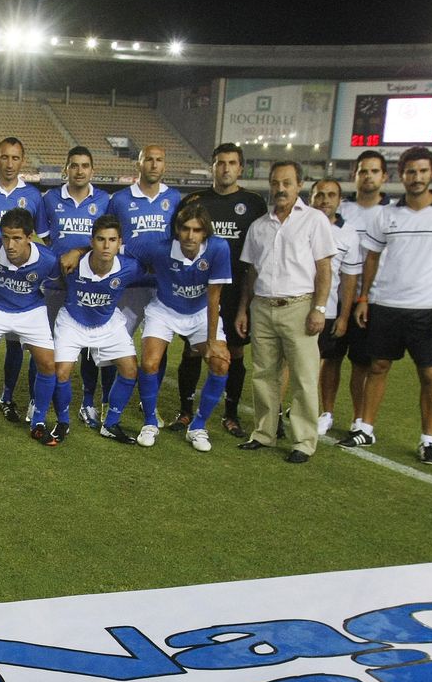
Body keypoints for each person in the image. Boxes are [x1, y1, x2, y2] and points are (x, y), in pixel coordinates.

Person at [342, 146, 432, 465]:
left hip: (429, 309)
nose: (416, 178)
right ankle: (366, 428)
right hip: (385, 305)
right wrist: (364, 298)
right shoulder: (387, 214)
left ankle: (428, 440)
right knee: (377, 367)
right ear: (401, 176)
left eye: (422, 171)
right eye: (410, 172)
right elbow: (371, 256)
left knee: (429, 374)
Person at [235, 161, 337, 463]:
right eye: (276, 183)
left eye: (287, 183)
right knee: (264, 375)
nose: (281, 189)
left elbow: (324, 268)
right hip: (263, 306)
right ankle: (265, 433)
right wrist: (244, 308)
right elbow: (251, 272)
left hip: (299, 306)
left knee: (304, 378)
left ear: (299, 185)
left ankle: (303, 441)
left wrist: (319, 308)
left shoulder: (315, 220)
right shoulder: (259, 225)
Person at [173, 143, 267, 437]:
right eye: (220, 163)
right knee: (191, 349)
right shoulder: (195, 200)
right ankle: (186, 410)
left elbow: (258, 251)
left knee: (235, 351)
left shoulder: (253, 203)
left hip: (237, 290)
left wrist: (246, 302)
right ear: (212, 167)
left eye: (232, 163)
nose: (226, 168)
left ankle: (231, 413)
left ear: (240, 168)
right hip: (198, 289)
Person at [131, 203, 233, 451]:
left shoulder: (219, 248)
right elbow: (125, 248)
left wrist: (211, 342)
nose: (190, 235)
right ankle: (150, 422)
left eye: (196, 230)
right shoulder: (160, 248)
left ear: (205, 232)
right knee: (149, 363)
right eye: (185, 229)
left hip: (200, 313)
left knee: (221, 362)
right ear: (177, 230)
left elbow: (214, 297)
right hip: (164, 310)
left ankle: (198, 426)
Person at [0, 208, 63, 445]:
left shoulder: (48, 260)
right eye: (6, 237)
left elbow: (57, 282)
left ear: (30, 237)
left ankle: (38, 421)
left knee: (49, 364)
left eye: (17, 238)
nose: (10, 244)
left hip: (31, 310)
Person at [0, 137, 45, 421]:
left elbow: (40, 239)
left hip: (18, 279)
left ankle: (8, 395)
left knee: (15, 341)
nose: (9, 163)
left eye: (15, 158)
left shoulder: (35, 196)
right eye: (4, 157)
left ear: (22, 161)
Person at [52, 215, 144, 445]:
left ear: (119, 242)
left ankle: (111, 424)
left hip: (107, 322)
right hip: (72, 320)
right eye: (101, 239)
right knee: (61, 372)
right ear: (92, 241)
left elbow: (157, 267)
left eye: (112, 240)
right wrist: (76, 251)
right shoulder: (70, 264)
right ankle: (62, 422)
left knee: (130, 369)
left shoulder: (130, 267)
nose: (106, 245)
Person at [39, 145, 113, 428]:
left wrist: (79, 252)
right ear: (65, 169)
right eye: (74, 165)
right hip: (57, 286)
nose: (79, 171)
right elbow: (47, 240)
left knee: (94, 348)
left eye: (84, 166)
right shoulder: (50, 199)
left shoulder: (105, 200)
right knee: (48, 346)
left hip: (95, 288)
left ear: (92, 170)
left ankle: (89, 402)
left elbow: (110, 241)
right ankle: (40, 400)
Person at [110, 145, 178, 422]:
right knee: (116, 344)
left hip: (162, 288)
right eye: (148, 159)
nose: (153, 164)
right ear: (138, 164)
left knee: (157, 350)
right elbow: (110, 237)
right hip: (129, 286)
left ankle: (149, 404)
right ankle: (109, 399)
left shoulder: (174, 198)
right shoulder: (120, 199)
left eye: (158, 160)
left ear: (164, 165)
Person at [337, 150, 390, 436]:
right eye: (363, 171)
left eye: (374, 171)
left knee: (366, 362)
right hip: (338, 297)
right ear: (355, 175)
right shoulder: (342, 210)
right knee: (330, 359)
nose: (368, 176)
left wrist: (365, 297)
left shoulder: (392, 213)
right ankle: (326, 412)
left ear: (384, 176)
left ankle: (359, 419)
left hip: (374, 300)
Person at [309, 177, 365, 435]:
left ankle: (326, 412)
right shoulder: (300, 223)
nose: (324, 200)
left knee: (330, 362)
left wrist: (344, 317)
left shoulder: (347, 233)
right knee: (293, 364)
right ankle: (298, 408)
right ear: (311, 197)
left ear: (339, 200)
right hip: (297, 307)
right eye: (320, 194)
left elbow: (349, 279)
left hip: (329, 311)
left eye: (331, 195)